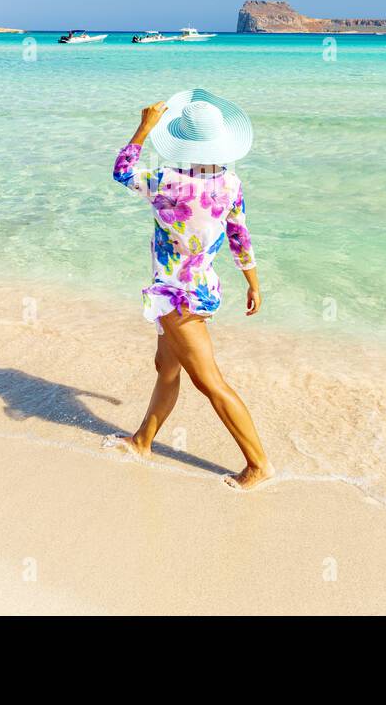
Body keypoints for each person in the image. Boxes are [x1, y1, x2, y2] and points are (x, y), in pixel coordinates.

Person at [108, 89, 274, 489]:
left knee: (208, 381)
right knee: (166, 368)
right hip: (201, 289)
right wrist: (253, 282)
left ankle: (258, 465)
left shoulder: (166, 181)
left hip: (177, 296)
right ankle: (142, 441)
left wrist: (144, 126)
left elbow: (122, 170)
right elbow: (240, 236)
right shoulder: (231, 183)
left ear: (182, 142)